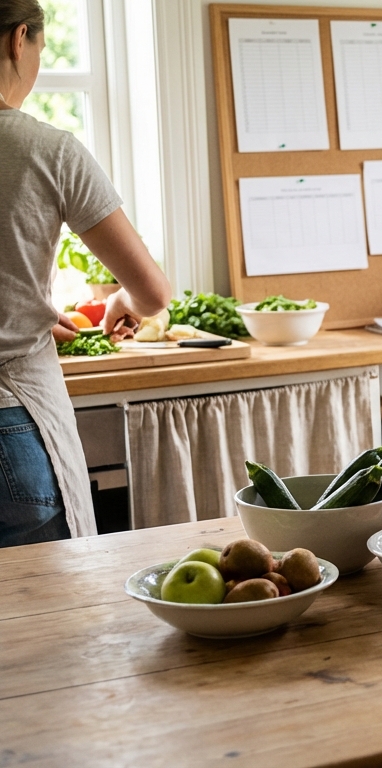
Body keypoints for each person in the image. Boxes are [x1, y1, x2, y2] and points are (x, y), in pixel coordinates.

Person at [1, 0, 171, 547]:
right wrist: (123, 301)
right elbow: (151, 291)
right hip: (13, 422)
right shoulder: (46, 150)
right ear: (18, 39)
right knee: (45, 624)